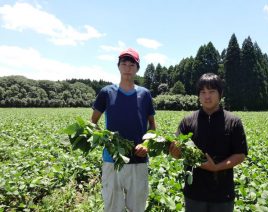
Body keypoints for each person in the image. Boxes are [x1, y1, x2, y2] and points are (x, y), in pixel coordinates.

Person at [169, 73, 248, 212]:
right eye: (203, 92)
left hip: (223, 193)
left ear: (220, 94)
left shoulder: (233, 121)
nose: (207, 96)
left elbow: (240, 154)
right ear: (198, 95)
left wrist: (216, 168)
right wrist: (174, 151)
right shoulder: (187, 121)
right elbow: (177, 154)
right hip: (194, 193)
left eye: (211, 92)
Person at [91, 48, 156, 212]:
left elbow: (152, 127)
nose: (127, 67)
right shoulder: (106, 92)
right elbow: (92, 122)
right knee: (112, 205)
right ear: (118, 66)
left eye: (132, 64)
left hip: (138, 159)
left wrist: (147, 144)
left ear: (137, 68)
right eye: (124, 63)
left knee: (138, 206)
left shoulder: (145, 94)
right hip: (112, 160)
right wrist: (106, 139)